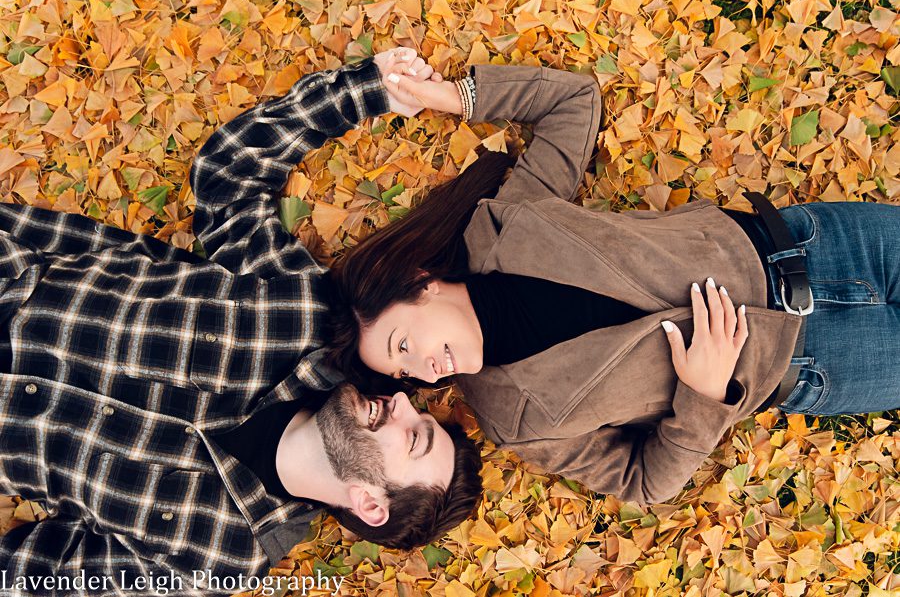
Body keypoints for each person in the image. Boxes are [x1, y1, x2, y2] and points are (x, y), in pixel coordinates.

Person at [0, 49, 482, 595]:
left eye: (413, 438)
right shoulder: (309, 319)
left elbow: (32, 577)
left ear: (370, 503)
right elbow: (227, 181)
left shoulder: (214, 557)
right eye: (419, 413)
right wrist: (370, 92)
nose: (401, 402)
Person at [328, 59, 900, 506]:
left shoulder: (505, 220)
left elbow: (574, 102)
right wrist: (702, 398)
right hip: (813, 364)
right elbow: (645, 482)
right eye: (404, 373)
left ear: (421, 283)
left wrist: (453, 96)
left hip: (809, 245)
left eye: (404, 345)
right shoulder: (514, 423)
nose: (427, 372)